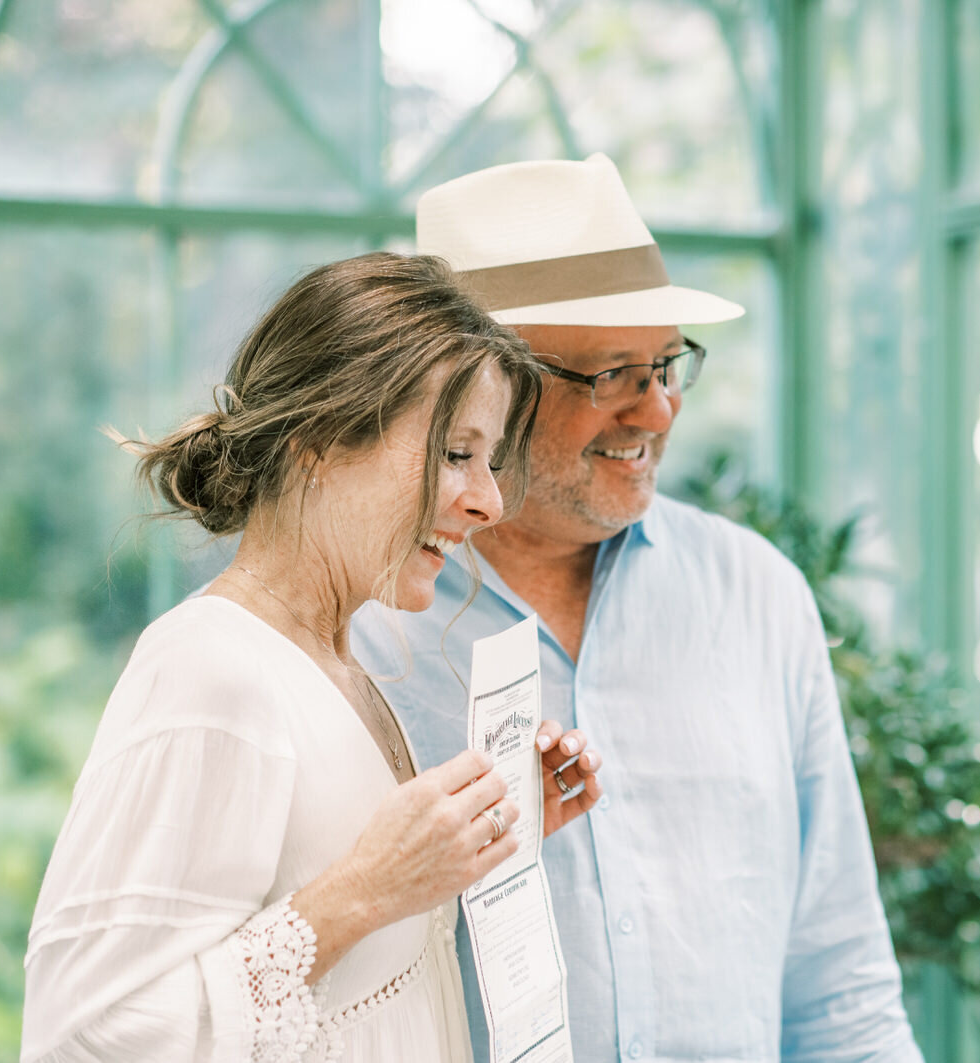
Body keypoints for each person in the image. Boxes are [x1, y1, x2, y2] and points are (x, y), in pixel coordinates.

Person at [352, 156, 925, 1061]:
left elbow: (840, 982)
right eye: (613, 374)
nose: (658, 411)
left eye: (666, 364)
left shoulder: (759, 595)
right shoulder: (357, 624)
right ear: (479, 392)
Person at [20, 252, 603, 1062]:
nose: (490, 501)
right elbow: (86, 1031)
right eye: (455, 453)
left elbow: (352, 984)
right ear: (320, 441)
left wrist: (480, 837)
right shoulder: (208, 668)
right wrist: (365, 889)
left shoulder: (346, 662)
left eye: (489, 458)